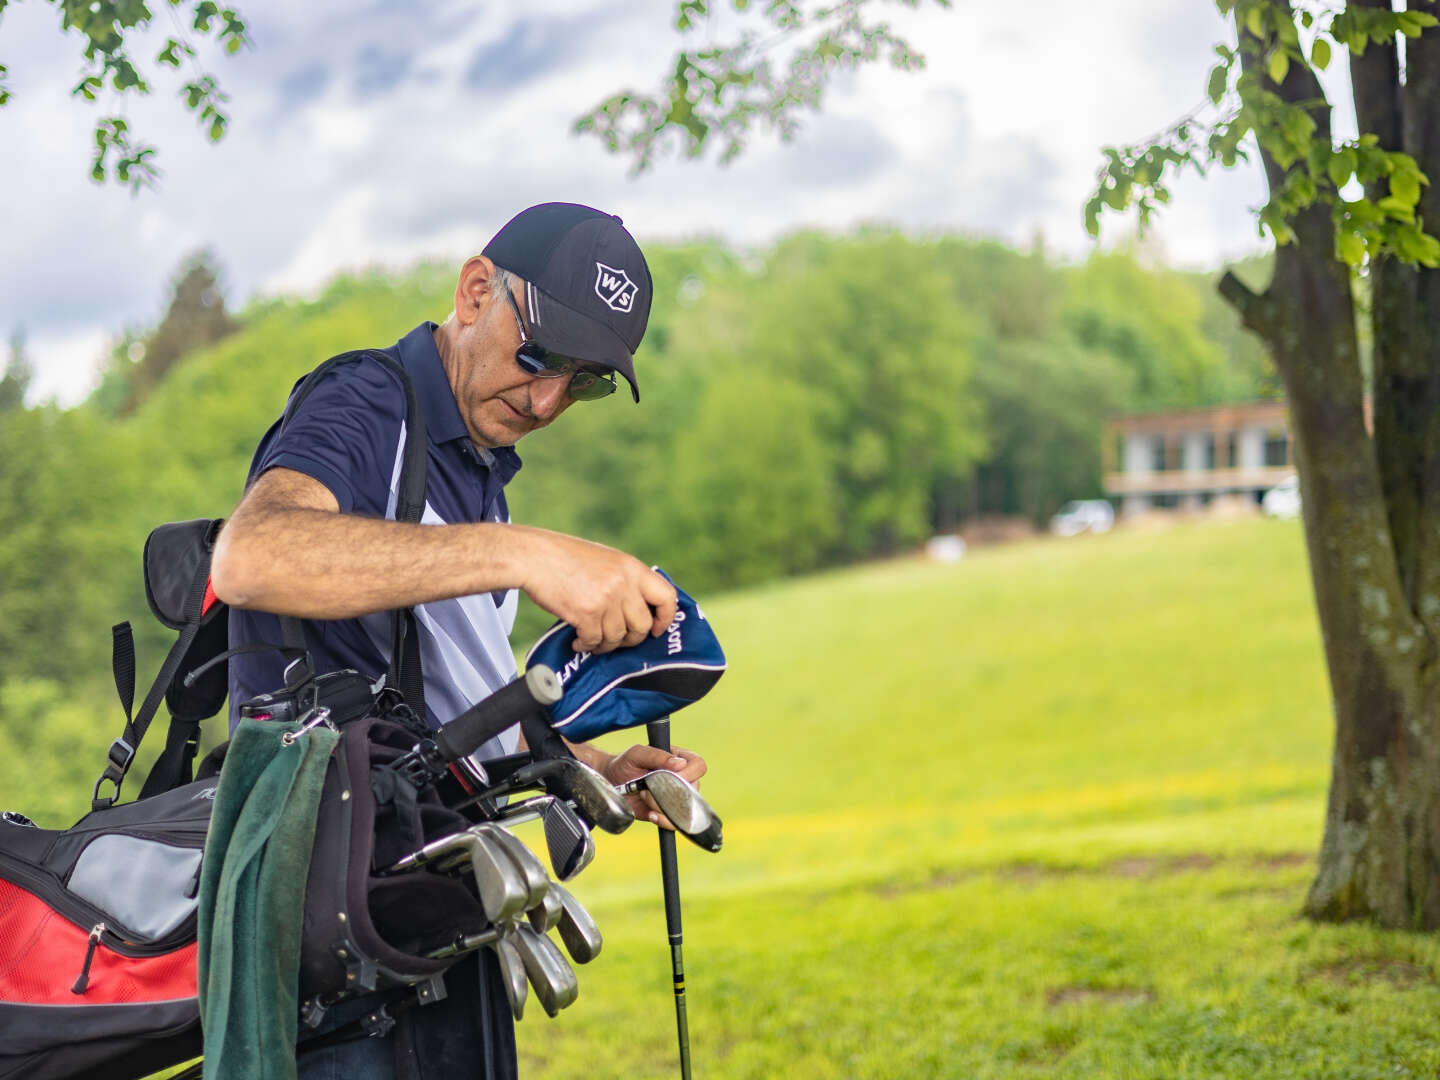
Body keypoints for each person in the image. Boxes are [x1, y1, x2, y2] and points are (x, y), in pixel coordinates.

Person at [209, 202, 708, 1079]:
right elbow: (253, 555)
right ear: (475, 291)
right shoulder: (366, 400)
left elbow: (447, 714)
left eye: (581, 382)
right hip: (334, 951)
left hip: (431, 923)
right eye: (540, 358)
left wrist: (585, 765)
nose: (548, 399)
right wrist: (526, 554)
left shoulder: (478, 473)